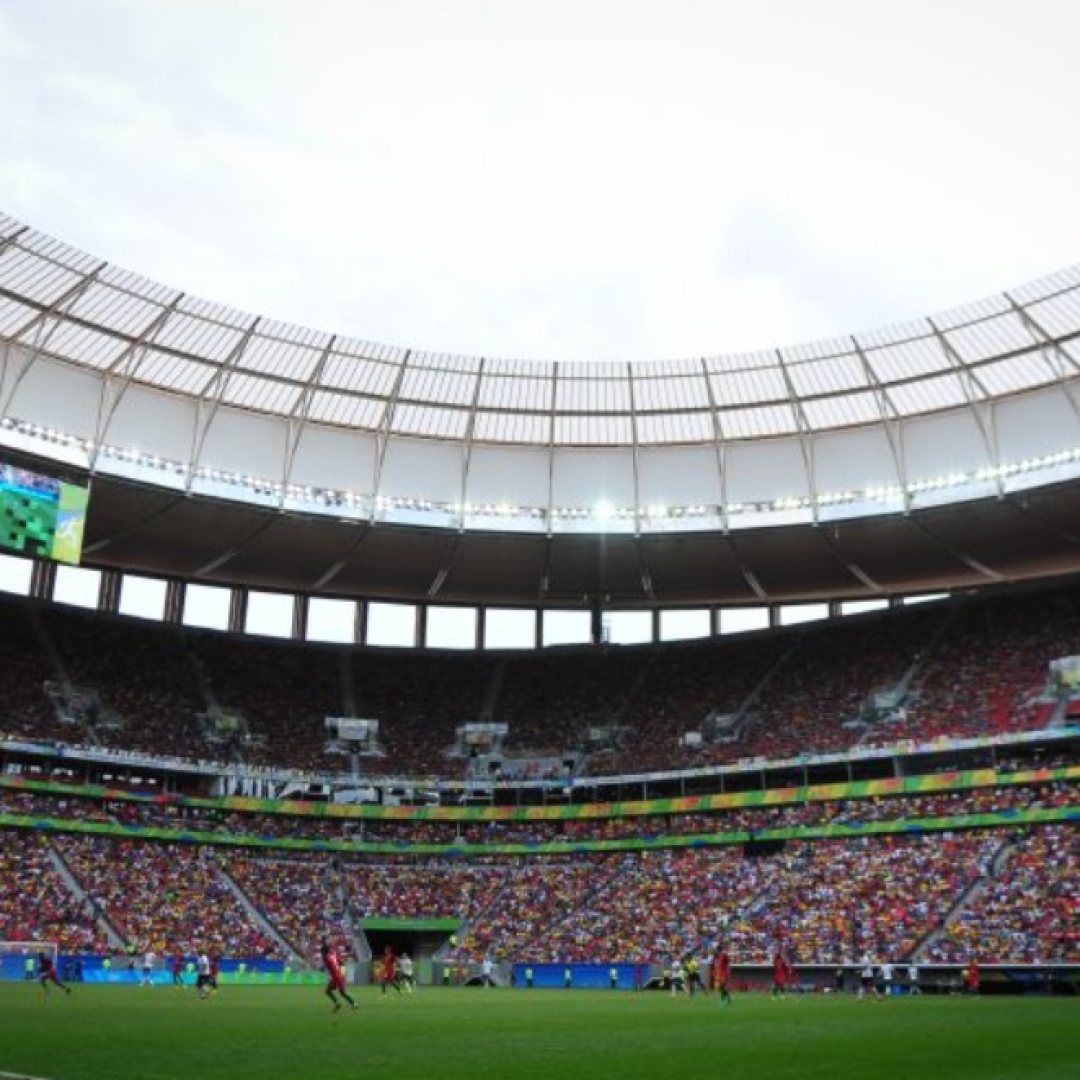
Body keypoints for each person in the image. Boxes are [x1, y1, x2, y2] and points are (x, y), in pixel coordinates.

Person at [320, 938, 358, 1013]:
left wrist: (321, 968)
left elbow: (323, 967)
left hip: (335, 977)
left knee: (327, 991)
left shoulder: (326, 957)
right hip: (339, 976)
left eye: (322, 952)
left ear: (324, 952)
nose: (321, 953)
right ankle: (354, 1004)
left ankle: (337, 1003)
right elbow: (341, 963)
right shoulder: (333, 955)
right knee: (343, 993)